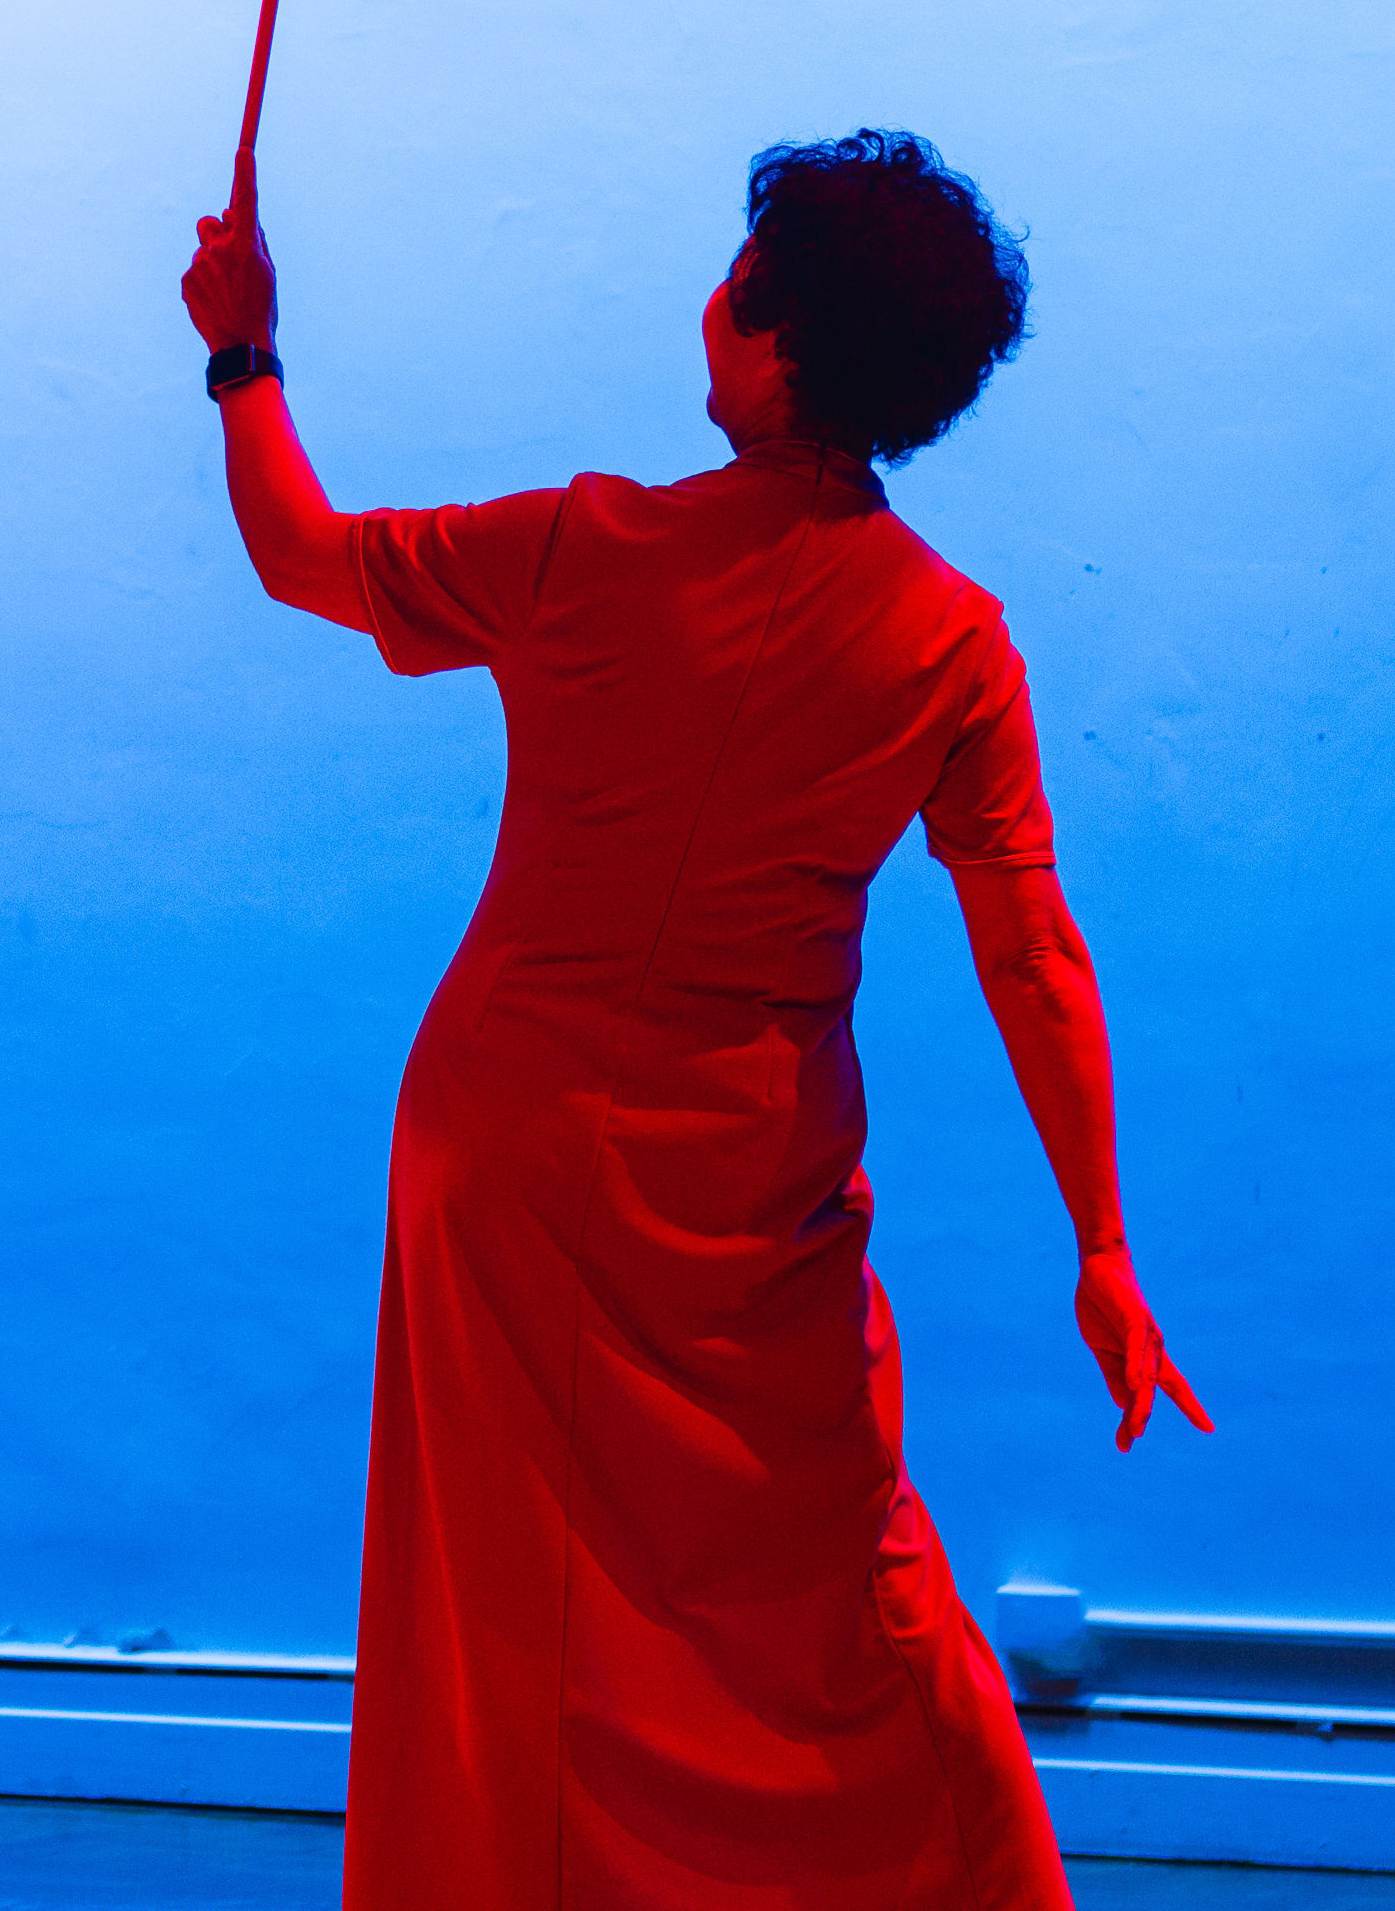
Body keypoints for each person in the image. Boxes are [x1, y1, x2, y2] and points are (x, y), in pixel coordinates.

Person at [182, 132, 1210, 1908]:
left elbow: (300, 552)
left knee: (511, 1599)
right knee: (847, 1588)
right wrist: (1102, 1245)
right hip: (752, 1169)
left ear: (775, 332)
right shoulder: (953, 638)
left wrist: (242, 345)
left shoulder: (589, 547)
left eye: (738, 274)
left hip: (500, 1141)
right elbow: (1032, 951)